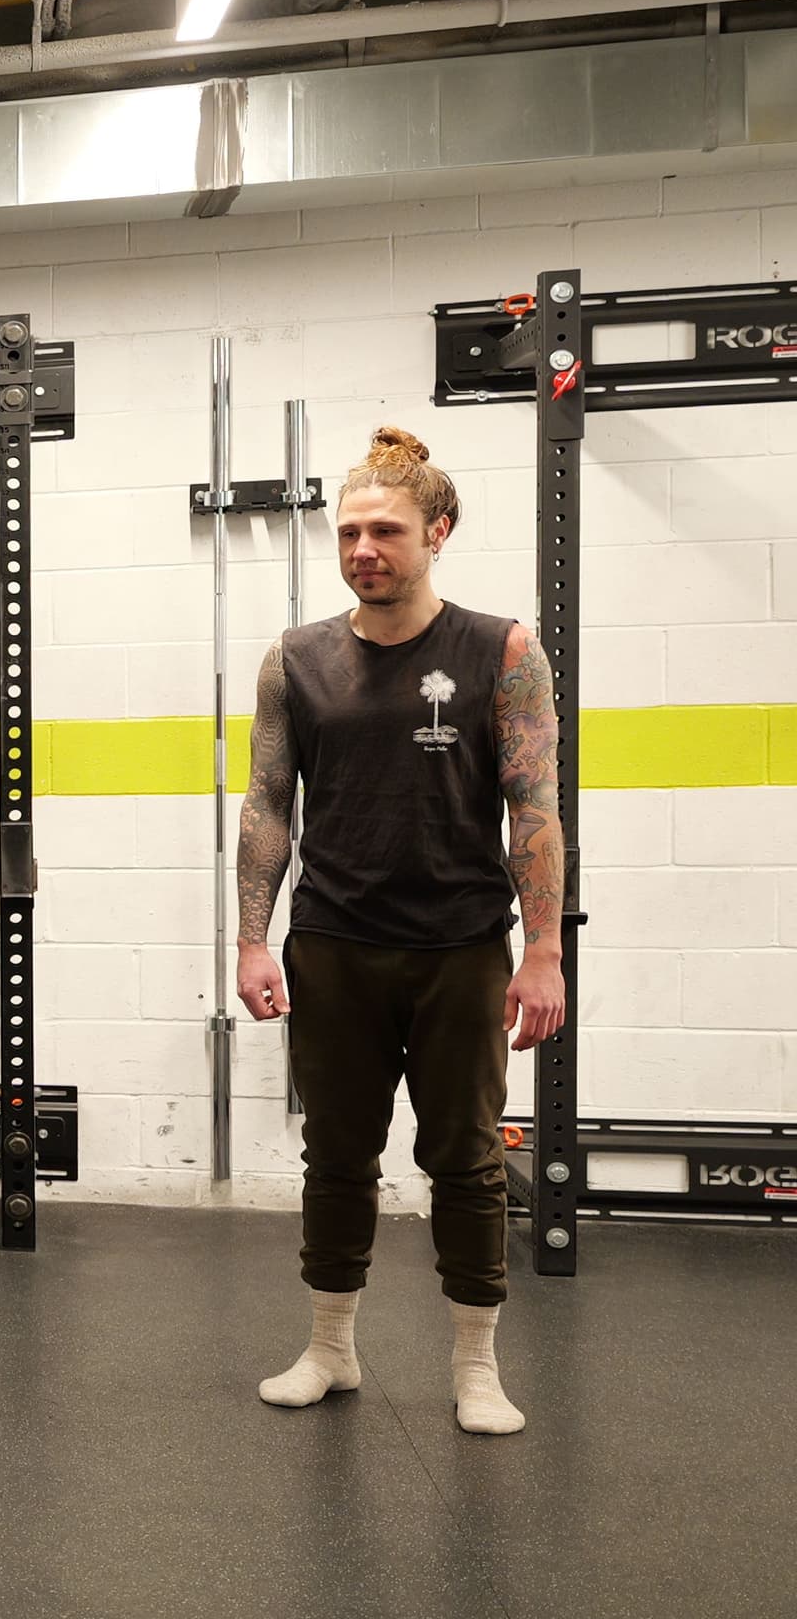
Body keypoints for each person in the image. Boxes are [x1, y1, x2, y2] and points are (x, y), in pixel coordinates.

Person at [235, 426, 561, 1436]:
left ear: (439, 531)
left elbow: (534, 806)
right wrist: (252, 938)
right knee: (337, 1152)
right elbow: (266, 807)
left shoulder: (502, 648)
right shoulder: (295, 658)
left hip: (461, 945)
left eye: (386, 530)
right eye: (349, 532)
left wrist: (543, 950)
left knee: (463, 1158)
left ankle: (475, 1366)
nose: (364, 548)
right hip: (331, 943)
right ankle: (329, 1348)